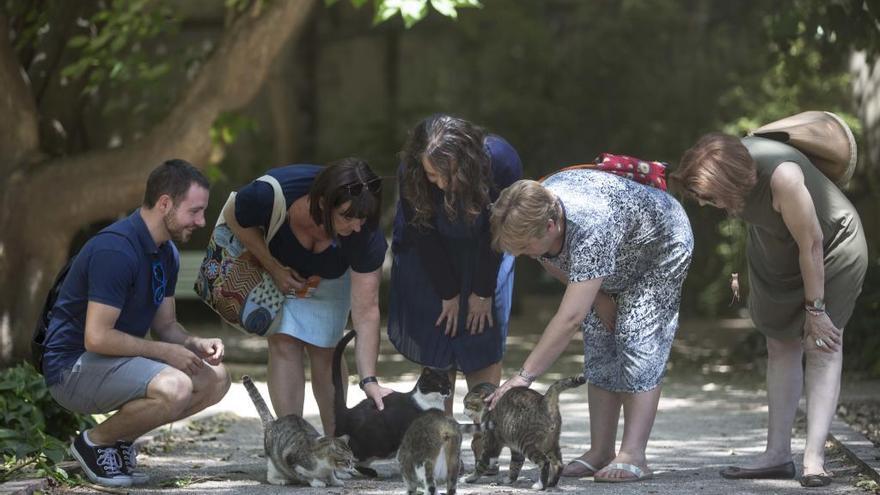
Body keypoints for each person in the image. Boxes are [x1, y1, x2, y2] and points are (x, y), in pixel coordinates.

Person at [672, 133, 868, 488]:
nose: (704, 204)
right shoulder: (727, 164)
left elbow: (811, 244)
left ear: (730, 182)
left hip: (830, 248)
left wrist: (816, 309)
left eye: (708, 197)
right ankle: (777, 455)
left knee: (822, 344)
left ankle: (814, 459)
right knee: (779, 343)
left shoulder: (784, 178)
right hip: (773, 250)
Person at [487, 170, 694, 483]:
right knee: (598, 338)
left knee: (637, 335)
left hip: (660, 249)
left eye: (527, 247)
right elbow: (553, 259)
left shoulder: (590, 223)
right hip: (614, 254)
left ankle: (634, 453)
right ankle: (600, 451)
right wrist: (596, 296)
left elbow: (569, 318)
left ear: (551, 226)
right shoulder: (533, 210)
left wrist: (523, 377)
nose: (524, 255)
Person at [42, 159, 231, 488]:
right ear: (165, 204)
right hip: (71, 369)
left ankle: (120, 441)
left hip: (112, 361)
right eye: (195, 211)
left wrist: (195, 344)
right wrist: (166, 354)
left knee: (216, 378)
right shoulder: (116, 249)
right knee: (176, 386)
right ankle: (94, 443)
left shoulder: (166, 252)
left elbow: (167, 326)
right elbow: (97, 338)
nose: (202, 221)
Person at [224, 158, 393, 435]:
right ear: (324, 203)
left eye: (363, 218)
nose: (357, 226)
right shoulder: (271, 193)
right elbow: (234, 215)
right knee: (283, 343)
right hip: (278, 264)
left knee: (326, 349)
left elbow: (366, 311)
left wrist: (369, 379)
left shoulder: (365, 237)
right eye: (347, 217)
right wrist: (274, 268)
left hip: (331, 273)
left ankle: (336, 441)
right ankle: (293, 442)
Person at [387, 114, 522, 412]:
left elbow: (499, 229)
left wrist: (482, 291)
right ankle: (441, 443)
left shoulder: (501, 162)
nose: (443, 184)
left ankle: (484, 436)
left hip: (487, 248)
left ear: (469, 160)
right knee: (438, 330)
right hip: (427, 252)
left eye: (450, 174)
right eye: (433, 176)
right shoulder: (411, 170)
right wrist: (448, 292)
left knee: (481, 330)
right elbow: (421, 231)